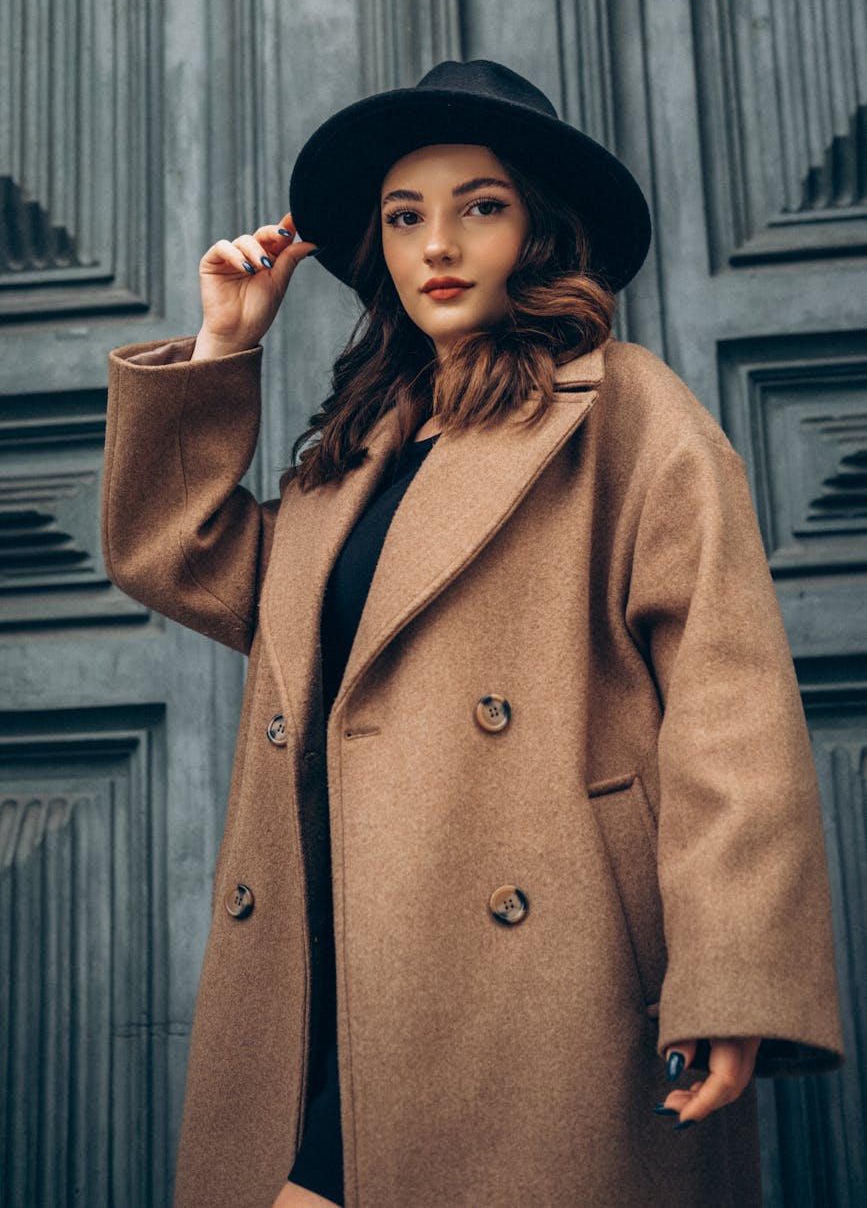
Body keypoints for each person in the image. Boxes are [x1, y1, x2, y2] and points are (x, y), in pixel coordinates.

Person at [101, 60, 845, 1208]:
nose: (437, 245)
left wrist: (732, 971)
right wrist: (223, 347)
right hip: (331, 973)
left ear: (538, 229)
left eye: (479, 206)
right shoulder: (354, 451)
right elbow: (181, 554)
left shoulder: (626, 408)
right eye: (405, 217)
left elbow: (726, 700)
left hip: (542, 978)